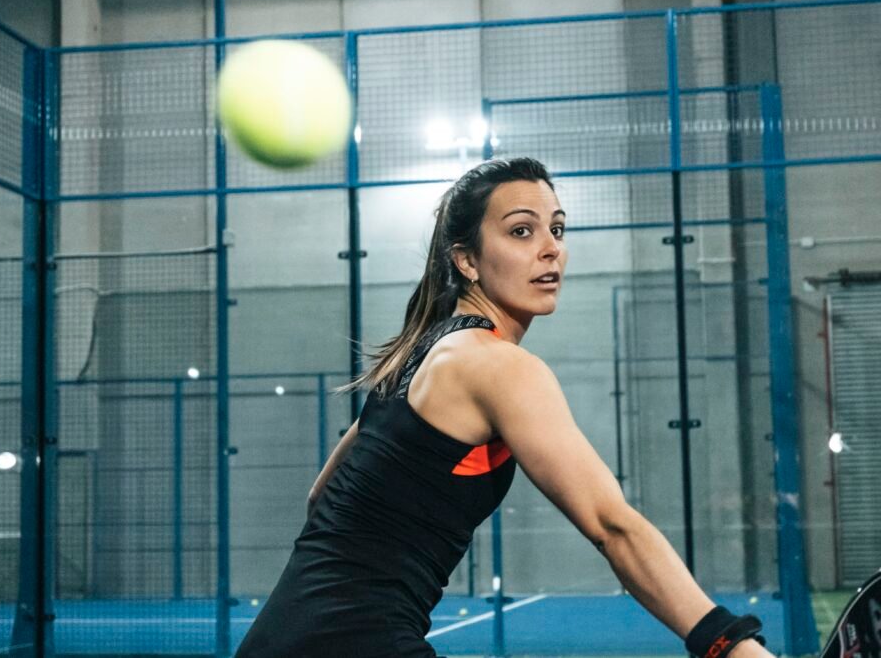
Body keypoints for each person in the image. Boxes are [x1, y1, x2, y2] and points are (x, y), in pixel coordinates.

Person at [236, 158, 774, 658]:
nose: (550, 249)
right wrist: (727, 643)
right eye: (522, 230)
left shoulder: (419, 354)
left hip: (281, 635)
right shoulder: (497, 366)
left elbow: (320, 498)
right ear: (466, 260)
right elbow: (611, 526)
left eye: (556, 229)